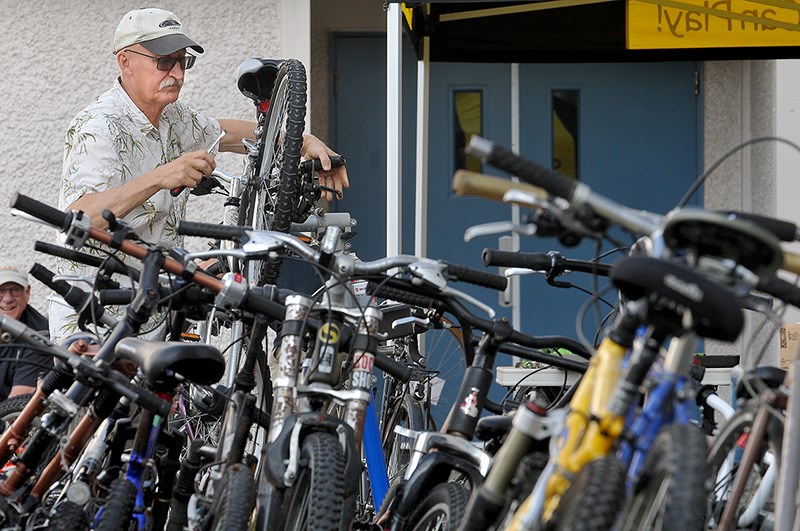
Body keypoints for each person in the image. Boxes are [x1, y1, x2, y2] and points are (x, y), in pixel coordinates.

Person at [51, 7, 349, 343]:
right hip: (96, 313)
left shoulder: (174, 117)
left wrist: (300, 141)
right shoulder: (98, 126)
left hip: (154, 311)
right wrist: (160, 177)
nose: (177, 72)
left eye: (183, 61)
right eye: (165, 61)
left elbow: (226, 134)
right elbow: (77, 218)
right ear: (125, 62)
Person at [0, 266, 54, 400]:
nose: (7, 299)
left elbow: (15, 408)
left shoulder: (39, 339)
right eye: (0, 290)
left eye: (15, 290)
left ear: (27, 292)